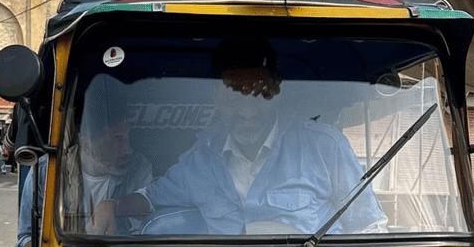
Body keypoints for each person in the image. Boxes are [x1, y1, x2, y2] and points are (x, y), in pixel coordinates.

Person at [91, 38, 386, 236]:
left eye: (258, 94)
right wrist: (112, 206)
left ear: (276, 91)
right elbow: (152, 197)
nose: (247, 111)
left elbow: (370, 227)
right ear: (215, 98)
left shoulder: (325, 148)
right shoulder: (198, 163)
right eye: (234, 96)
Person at [7, 78, 152, 247]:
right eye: (118, 139)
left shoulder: (140, 168)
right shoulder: (47, 171)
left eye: (129, 137)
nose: (128, 149)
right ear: (87, 141)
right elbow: (25, 238)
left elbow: (146, 229)